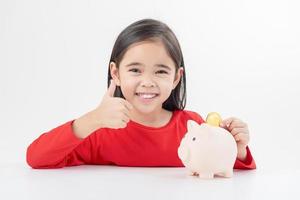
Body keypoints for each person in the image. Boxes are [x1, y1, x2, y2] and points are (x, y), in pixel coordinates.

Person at [26, 19, 256, 170]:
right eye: (135, 70)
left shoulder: (192, 126)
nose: (147, 82)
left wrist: (238, 149)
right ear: (115, 73)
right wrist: (92, 119)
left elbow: (228, 169)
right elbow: (36, 158)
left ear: (176, 78)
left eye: (161, 71)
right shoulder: (99, 132)